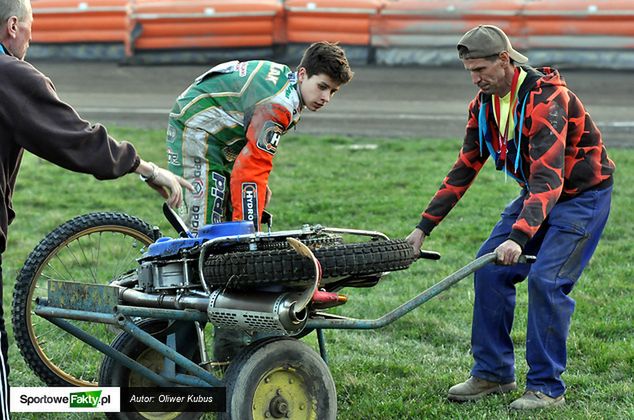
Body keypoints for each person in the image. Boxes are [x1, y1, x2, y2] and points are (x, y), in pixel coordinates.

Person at [407, 24, 614, 410]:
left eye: (481, 69)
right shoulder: (483, 105)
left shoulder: (548, 99)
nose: (475, 79)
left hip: (581, 198)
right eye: (470, 71)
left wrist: (518, 237)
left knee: (547, 281)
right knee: (488, 270)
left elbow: (549, 178)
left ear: (505, 60)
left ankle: (547, 388)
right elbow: (465, 167)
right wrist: (423, 229)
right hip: (536, 194)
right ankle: (493, 373)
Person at [0, 0, 192, 414]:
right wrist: (147, 168)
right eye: (31, 26)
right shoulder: (9, 75)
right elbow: (76, 140)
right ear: (13, 25)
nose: (32, 37)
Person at [166, 41, 353, 362]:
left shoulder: (290, 89)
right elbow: (250, 173)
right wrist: (249, 236)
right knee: (201, 249)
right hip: (200, 133)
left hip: (224, 136)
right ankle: (179, 358)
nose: (326, 98)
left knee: (225, 237)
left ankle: (227, 348)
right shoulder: (279, 104)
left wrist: (249, 215)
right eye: (322, 87)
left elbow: (254, 165)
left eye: (333, 92)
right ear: (303, 73)